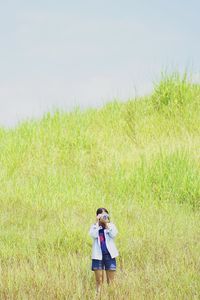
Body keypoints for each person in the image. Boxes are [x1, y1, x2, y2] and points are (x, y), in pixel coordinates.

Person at [88, 207, 119, 296]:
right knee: (99, 281)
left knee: (111, 281)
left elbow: (114, 234)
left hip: (109, 255)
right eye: (102, 215)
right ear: (97, 216)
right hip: (98, 256)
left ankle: (112, 296)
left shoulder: (111, 225)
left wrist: (106, 225)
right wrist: (98, 224)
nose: (104, 217)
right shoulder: (94, 226)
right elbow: (93, 235)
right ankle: (98, 296)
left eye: (106, 215)